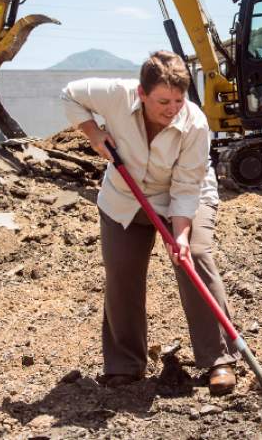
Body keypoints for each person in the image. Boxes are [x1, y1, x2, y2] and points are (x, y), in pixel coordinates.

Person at [60, 51, 239, 395]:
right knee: (122, 270)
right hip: (125, 198)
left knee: (196, 258)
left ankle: (220, 358)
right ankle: (125, 364)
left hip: (183, 196)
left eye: (179, 99)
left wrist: (181, 236)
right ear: (141, 94)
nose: (172, 108)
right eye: (162, 101)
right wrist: (93, 133)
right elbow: (69, 93)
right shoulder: (115, 94)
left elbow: (187, 188)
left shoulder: (195, 124)